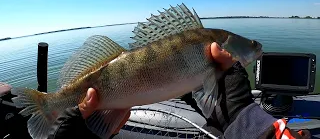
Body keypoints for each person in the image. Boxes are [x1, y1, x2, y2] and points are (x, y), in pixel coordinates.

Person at [48, 42, 311, 139]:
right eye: (252, 45)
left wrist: (239, 113)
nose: (255, 47)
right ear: (227, 44)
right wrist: (241, 116)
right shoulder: (219, 49)